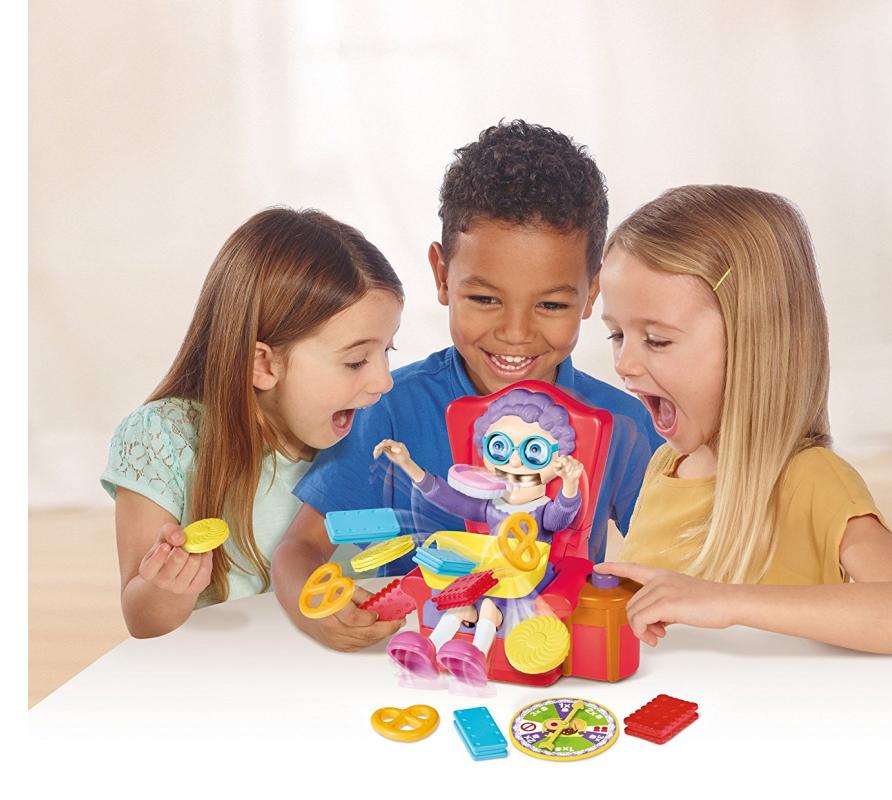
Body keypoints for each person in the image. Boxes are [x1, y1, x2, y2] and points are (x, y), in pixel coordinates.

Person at [272, 120, 662, 652]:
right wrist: (312, 604)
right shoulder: (388, 407)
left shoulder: (624, 423)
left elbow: (673, 560)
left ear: (592, 292)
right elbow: (299, 546)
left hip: (551, 664)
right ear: (442, 275)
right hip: (414, 665)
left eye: (551, 304)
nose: (516, 333)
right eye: (484, 299)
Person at [595, 185, 892, 655]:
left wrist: (727, 602)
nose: (624, 364)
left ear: (753, 343)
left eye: (657, 340)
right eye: (617, 335)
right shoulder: (665, 467)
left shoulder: (809, 478)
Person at [101, 208, 405, 644]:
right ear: (263, 363)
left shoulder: (374, 438)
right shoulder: (164, 438)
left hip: (337, 667)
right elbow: (143, 621)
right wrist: (166, 588)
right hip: (225, 672)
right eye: (356, 361)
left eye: (388, 351)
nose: (384, 382)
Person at [375, 387, 583, 682]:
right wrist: (408, 464)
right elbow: (450, 498)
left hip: (528, 576)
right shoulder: (492, 505)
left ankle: (478, 655)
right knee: (460, 602)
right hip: (488, 572)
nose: (514, 463)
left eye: (534, 451)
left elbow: (560, 518)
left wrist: (570, 484)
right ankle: (429, 648)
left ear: (558, 458)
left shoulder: (542, 509)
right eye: (500, 447)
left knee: (487, 605)